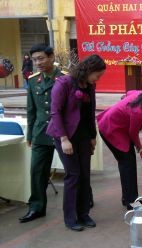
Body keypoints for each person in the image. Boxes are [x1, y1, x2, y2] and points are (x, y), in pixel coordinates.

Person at [46, 54, 106, 231]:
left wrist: (93, 137)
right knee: (73, 175)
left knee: (85, 175)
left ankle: (84, 214)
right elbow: (55, 112)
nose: (98, 78)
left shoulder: (89, 85)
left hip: (83, 136)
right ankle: (70, 217)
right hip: (64, 136)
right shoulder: (64, 83)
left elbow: (90, 112)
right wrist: (64, 139)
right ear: (88, 69)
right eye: (98, 74)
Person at [97, 85, 142, 210]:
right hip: (111, 129)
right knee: (127, 164)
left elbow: (129, 92)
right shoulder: (138, 112)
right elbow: (133, 133)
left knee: (128, 163)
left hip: (119, 126)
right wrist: (139, 146)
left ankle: (129, 198)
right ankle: (131, 202)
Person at [19, 44, 67, 224]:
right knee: (37, 171)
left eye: (41, 58)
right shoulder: (33, 80)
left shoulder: (64, 79)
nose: (37, 62)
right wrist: (30, 135)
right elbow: (31, 110)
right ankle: (36, 208)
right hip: (40, 133)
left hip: (63, 133)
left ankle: (83, 201)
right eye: (34, 59)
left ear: (52, 57)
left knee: (73, 170)